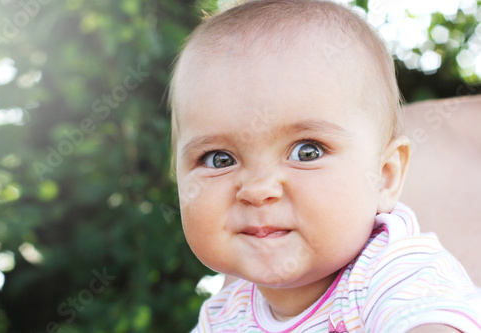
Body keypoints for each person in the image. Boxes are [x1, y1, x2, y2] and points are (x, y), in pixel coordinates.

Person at [168, 0, 481, 331]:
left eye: (307, 152)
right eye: (220, 159)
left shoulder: (394, 273)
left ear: (384, 177)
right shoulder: (223, 316)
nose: (258, 189)